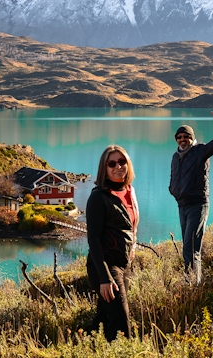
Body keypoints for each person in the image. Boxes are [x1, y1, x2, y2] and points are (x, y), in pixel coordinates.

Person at [86, 145, 139, 341]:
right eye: (112, 163)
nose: (118, 166)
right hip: (106, 265)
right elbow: (93, 238)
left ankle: (88, 347)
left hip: (124, 264)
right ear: (105, 169)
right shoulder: (98, 197)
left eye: (122, 161)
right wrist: (104, 278)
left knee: (105, 317)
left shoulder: (129, 191)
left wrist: (132, 250)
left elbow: (132, 225)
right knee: (121, 321)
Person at [169, 103, 213, 283]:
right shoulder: (175, 156)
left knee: (191, 247)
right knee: (188, 245)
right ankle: (192, 281)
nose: (182, 139)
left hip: (197, 205)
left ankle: (193, 284)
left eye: (186, 136)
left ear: (191, 138)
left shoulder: (200, 151)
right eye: (179, 137)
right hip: (182, 205)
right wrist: (173, 191)